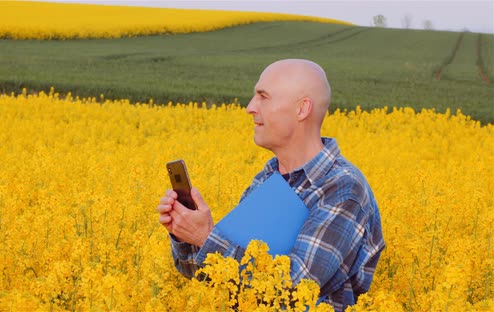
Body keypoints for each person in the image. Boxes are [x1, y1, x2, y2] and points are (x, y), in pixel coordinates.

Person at [156, 59, 385, 311]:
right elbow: (213, 275)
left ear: (302, 109)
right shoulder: (267, 178)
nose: (250, 107)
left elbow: (295, 290)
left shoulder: (342, 188)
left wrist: (207, 237)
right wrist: (186, 233)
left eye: (263, 97)